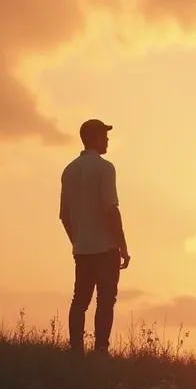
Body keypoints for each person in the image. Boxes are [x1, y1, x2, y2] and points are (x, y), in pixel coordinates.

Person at [59, 118, 130, 355]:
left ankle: (76, 350)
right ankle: (101, 349)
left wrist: (78, 240)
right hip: (105, 247)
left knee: (80, 301)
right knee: (105, 301)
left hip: (82, 248)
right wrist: (122, 245)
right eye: (104, 135)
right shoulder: (105, 168)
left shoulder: (68, 171)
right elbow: (110, 209)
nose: (107, 139)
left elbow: (64, 216)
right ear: (95, 138)